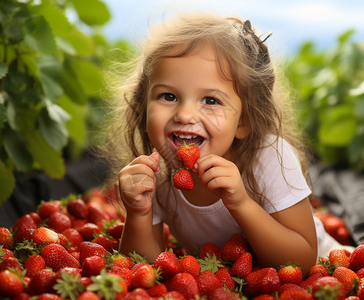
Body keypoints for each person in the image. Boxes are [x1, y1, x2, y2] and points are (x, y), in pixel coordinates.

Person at [103, 12, 335, 274]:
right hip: (224, 285)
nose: (185, 115)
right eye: (168, 96)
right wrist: (138, 214)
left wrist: (241, 204)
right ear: (144, 105)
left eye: (211, 101)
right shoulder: (156, 175)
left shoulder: (269, 157)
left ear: (243, 120)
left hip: (325, 268)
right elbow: (142, 269)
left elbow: (302, 262)